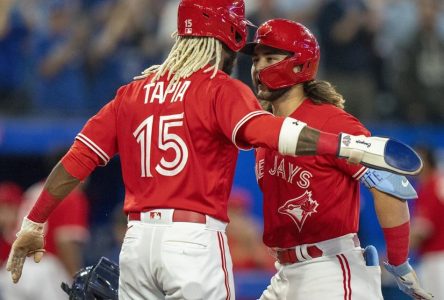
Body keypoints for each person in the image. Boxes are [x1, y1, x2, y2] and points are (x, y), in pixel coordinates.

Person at [5, 1, 422, 299]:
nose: (254, 64)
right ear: (230, 36)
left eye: (267, 56)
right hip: (193, 240)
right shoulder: (221, 89)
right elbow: (271, 133)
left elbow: (77, 159)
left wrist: (34, 222)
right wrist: (349, 146)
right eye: (252, 54)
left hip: (137, 243)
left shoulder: (131, 92)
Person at [241, 18, 432, 299]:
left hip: (330, 271)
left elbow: (388, 184)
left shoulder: (331, 121)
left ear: (299, 63)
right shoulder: (267, 131)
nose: (258, 67)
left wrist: (400, 262)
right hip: (285, 273)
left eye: (270, 57)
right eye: (256, 60)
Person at [410, 146, 444, 299]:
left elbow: (422, 231)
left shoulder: (429, 187)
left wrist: (391, 257)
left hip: (436, 262)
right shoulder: (438, 183)